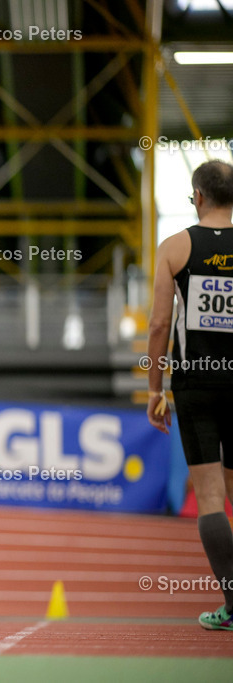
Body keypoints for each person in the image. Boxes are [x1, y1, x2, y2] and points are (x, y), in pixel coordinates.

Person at [147, 159, 233, 631]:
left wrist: (154, 389)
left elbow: (160, 324)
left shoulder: (176, 247)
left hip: (197, 385)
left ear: (197, 196)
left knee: (212, 498)